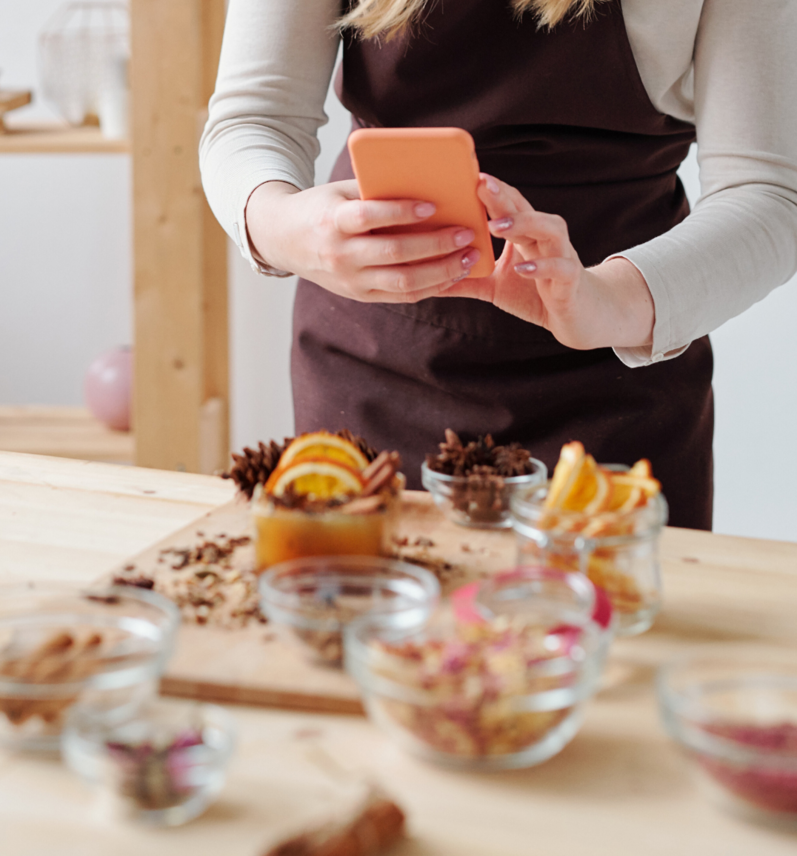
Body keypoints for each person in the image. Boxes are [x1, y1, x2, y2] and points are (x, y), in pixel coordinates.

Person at [200, 0, 797, 530]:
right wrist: (288, 229)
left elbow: (767, 195)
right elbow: (255, 118)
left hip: (620, 383)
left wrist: (606, 301)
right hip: (372, 369)